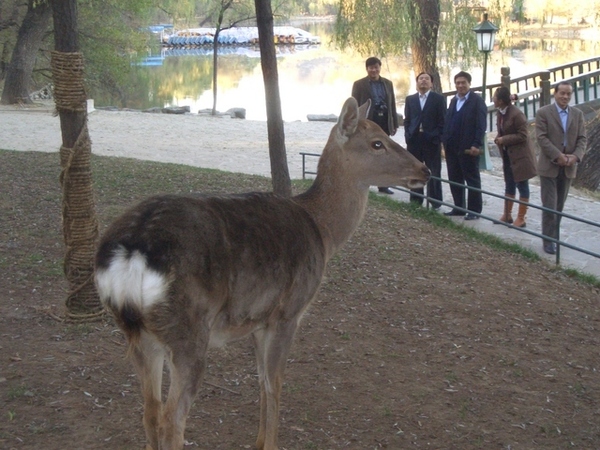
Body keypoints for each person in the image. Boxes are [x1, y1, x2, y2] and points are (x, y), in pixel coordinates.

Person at [535, 82, 587, 255]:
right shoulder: (543, 113)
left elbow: (582, 139)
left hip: (568, 167)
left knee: (559, 206)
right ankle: (548, 240)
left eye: (568, 94)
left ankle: (554, 237)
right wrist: (558, 155)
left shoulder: (577, 114)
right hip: (549, 166)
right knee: (549, 204)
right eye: (562, 93)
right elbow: (541, 138)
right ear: (555, 94)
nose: (565, 97)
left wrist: (575, 156)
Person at [441, 71, 487, 220]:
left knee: (472, 179)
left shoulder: (476, 101)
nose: (460, 85)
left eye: (463, 83)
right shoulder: (454, 101)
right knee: (455, 178)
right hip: (452, 147)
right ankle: (459, 207)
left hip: (468, 148)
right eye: (458, 83)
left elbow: (481, 125)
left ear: (469, 84)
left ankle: (474, 210)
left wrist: (476, 144)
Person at [352, 56, 399, 194]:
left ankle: (383, 185)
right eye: (371, 67)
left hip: (384, 120)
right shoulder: (359, 84)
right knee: (366, 151)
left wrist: (394, 123)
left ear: (380, 67)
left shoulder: (388, 83)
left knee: (384, 152)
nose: (374, 70)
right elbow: (355, 105)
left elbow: (392, 104)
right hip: (369, 121)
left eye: (376, 67)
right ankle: (362, 180)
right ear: (367, 69)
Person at [492, 87, 537, 227]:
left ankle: (521, 217)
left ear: (500, 100)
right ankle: (507, 214)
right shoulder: (500, 112)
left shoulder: (517, 114)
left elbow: (523, 135)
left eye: (494, 97)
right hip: (508, 155)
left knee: (522, 184)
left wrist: (504, 139)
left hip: (520, 157)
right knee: (509, 183)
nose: (492, 99)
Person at [404, 72, 446, 208]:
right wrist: (408, 134)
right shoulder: (410, 99)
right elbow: (407, 119)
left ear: (431, 83)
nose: (423, 81)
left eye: (426, 79)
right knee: (415, 170)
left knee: (434, 170)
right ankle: (416, 199)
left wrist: (437, 136)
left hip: (431, 140)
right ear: (417, 83)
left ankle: (435, 201)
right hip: (414, 139)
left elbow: (442, 121)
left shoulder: (438, 99)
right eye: (421, 79)